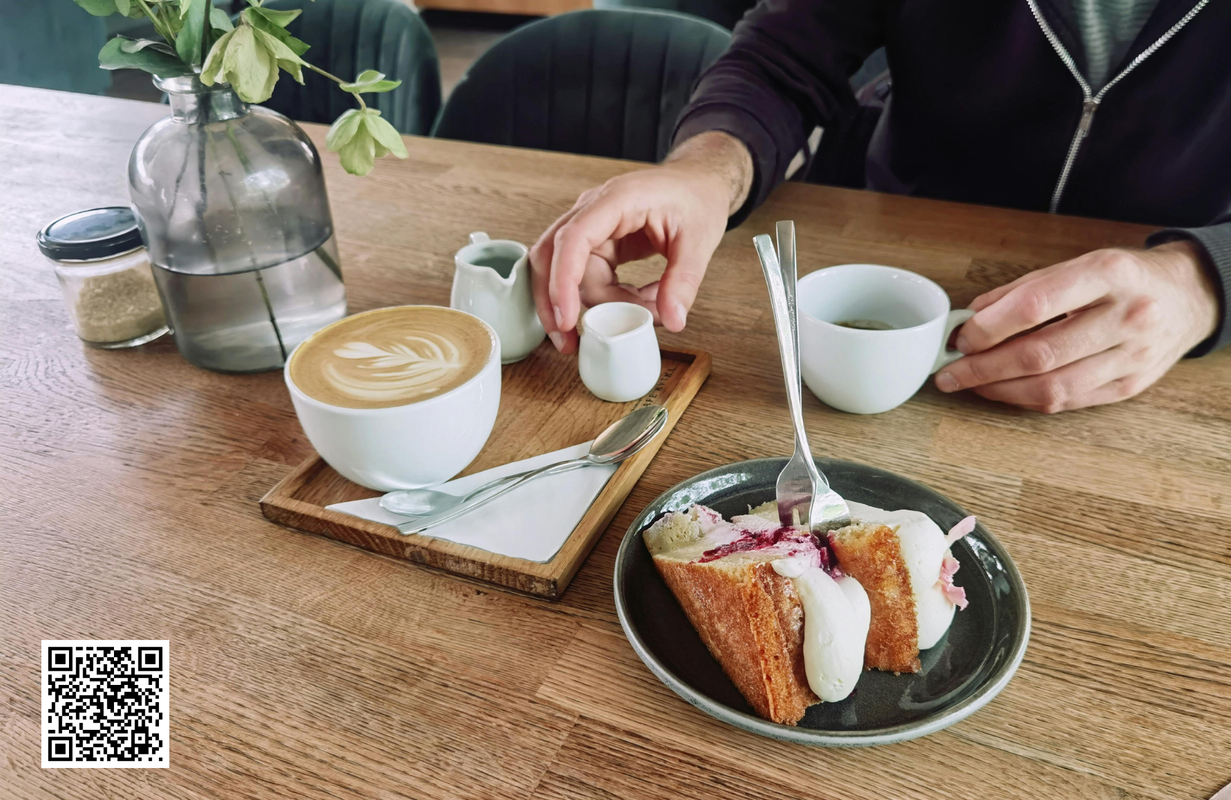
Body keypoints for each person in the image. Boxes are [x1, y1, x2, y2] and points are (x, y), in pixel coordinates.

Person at [528, 0, 1230, 413]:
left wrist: (1203, 282)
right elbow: (781, 58)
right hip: (894, 240)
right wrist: (704, 173)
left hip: (1159, 362)